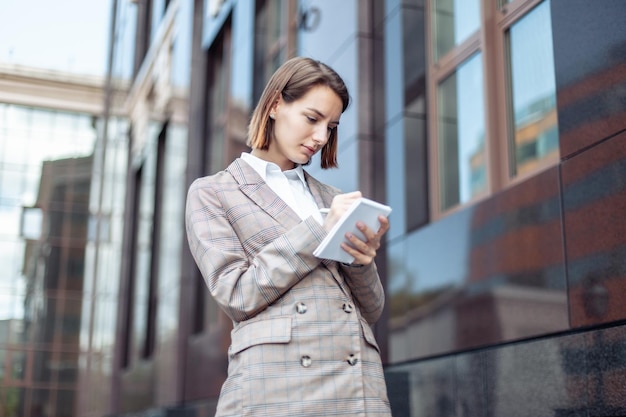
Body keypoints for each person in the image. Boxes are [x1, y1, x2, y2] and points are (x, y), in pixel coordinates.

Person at [185, 56, 392, 416]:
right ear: (277, 105)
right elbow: (235, 293)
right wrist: (317, 230)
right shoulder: (214, 192)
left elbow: (371, 309)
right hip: (276, 389)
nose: (320, 137)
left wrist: (361, 259)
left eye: (331, 127)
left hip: (357, 390)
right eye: (312, 119)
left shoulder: (330, 197)